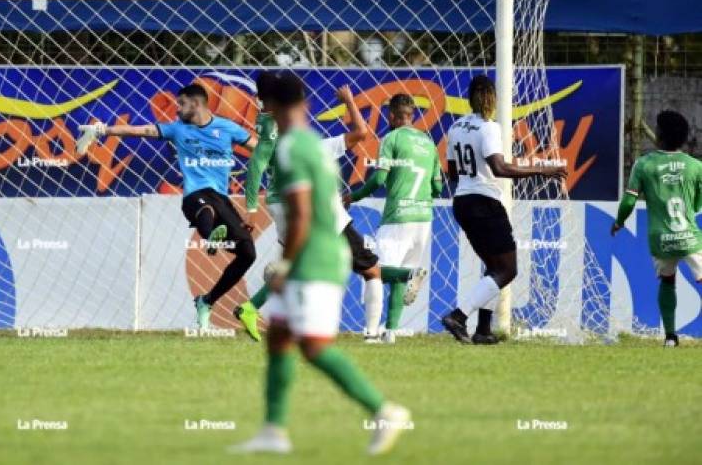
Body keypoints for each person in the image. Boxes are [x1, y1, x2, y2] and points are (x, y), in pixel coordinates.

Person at [230, 72, 409, 456]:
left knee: (312, 346)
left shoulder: (292, 147)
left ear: (268, 107)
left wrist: (285, 265)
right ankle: (273, 431)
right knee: (279, 336)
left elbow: (303, 214)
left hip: (316, 256)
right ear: (305, 103)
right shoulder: (311, 143)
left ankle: (383, 411)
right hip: (320, 250)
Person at [80, 83, 257, 329]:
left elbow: (259, 149)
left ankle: (206, 301)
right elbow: (139, 130)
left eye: (182, 104)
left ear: (195, 104)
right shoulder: (177, 130)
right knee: (207, 209)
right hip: (194, 196)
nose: (177, 109)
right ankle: (211, 236)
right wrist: (103, 130)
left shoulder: (227, 128)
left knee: (248, 254)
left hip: (221, 197)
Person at [236, 71, 383, 343]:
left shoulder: (278, 132)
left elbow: (260, 161)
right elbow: (362, 132)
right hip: (311, 209)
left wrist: (255, 206)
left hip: (279, 203)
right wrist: (350, 101)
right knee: (370, 269)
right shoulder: (307, 144)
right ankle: (372, 335)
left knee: (299, 265)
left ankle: (253, 308)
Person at [439, 75, 566, 344]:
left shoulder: (456, 128)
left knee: (493, 266)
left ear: (470, 98)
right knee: (507, 270)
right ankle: (458, 316)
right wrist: (543, 170)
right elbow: (500, 168)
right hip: (484, 203)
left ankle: (483, 331)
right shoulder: (489, 128)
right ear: (492, 99)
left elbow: (452, 173)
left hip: (462, 202)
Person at [345, 93, 442, 343]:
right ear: (412, 116)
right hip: (423, 218)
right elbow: (438, 187)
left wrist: (353, 197)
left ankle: (372, 333)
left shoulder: (391, 138)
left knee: (373, 271)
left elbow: (378, 179)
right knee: (397, 273)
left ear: (391, 116)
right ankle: (391, 333)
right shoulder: (429, 143)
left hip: (398, 217)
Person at [612, 110, 702, 347]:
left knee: (667, 281)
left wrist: (619, 222)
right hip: (689, 237)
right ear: (683, 138)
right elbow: (698, 202)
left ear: (659, 136)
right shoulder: (695, 166)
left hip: (660, 239)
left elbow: (629, 201)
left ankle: (671, 337)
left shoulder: (644, 165)